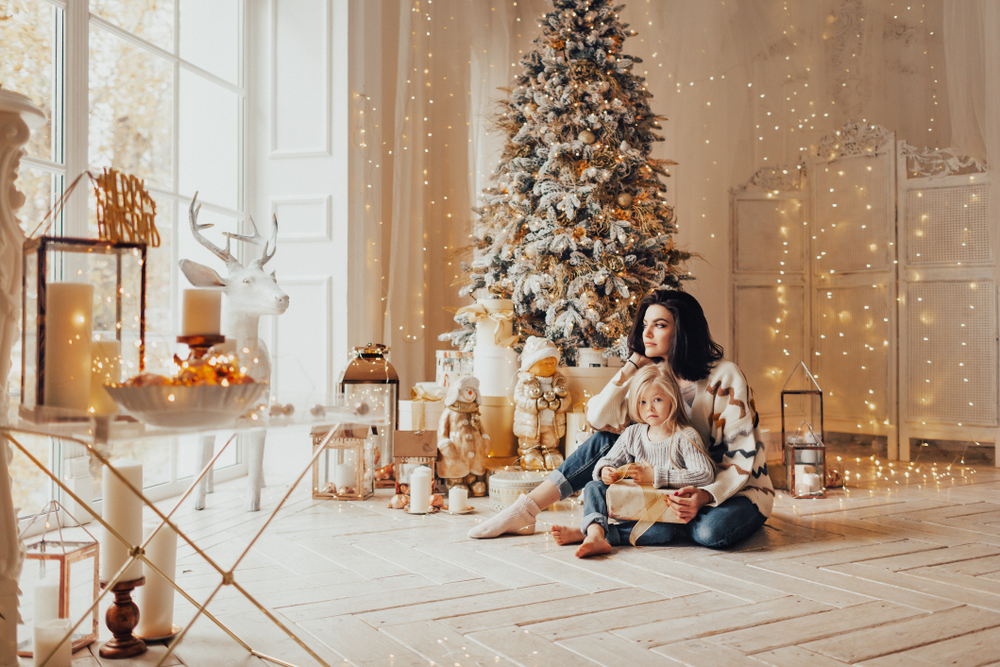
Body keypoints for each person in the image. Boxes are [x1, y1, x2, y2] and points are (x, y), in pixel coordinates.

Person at [467, 289, 773, 548]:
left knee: (710, 532)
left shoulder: (725, 377)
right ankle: (526, 509)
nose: (647, 333)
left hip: (735, 488)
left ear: (683, 330)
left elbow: (741, 458)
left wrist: (704, 496)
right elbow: (598, 418)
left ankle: (611, 530)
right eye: (645, 325)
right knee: (608, 439)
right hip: (672, 486)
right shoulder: (654, 376)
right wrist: (629, 366)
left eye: (660, 325)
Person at [551, 364, 715, 557]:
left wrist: (656, 475)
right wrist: (606, 470)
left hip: (658, 516)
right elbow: (609, 460)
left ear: (673, 399)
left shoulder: (685, 437)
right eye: (642, 402)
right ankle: (595, 531)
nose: (649, 408)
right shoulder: (633, 433)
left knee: (664, 533)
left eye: (657, 399)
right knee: (593, 486)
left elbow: (705, 475)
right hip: (630, 504)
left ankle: (594, 534)